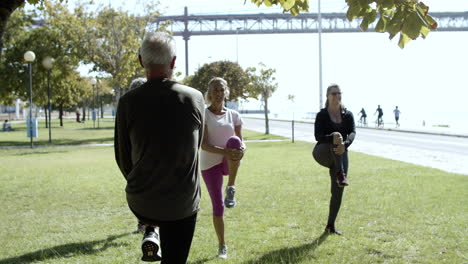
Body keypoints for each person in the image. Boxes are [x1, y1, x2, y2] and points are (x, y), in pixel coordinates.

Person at [114, 32, 205, 263]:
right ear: (173, 62)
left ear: (141, 61)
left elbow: (122, 157)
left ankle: (151, 231)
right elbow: (197, 146)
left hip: (141, 200)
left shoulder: (127, 102)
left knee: (156, 213)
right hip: (181, 204)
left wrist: (142, 182)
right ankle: (157, 234)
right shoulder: (194, 98)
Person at [200, 77, 246, 259]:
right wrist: (226, 152)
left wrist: (242, 149)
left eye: (221, 90)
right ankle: (222, 245)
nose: (219, 94)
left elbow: (241, 141)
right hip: (209, 163)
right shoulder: (204, 114)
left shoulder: (233, 115)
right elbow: (203, 145)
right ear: (209, 94)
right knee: (218, 205)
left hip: (229, 162)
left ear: (226, 92)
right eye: (215, 90)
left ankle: (231, 187)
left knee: (235, 141)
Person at [312, 84, 356, 235]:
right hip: (322, 152)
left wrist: (346, 144)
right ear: (327, 96)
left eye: (339, 93)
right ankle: (340, 173)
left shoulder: (347, 114)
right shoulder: (322, 115)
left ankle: (330, 226)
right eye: (333, 93)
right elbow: (318, 137)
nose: (337, 96)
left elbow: (352, 132)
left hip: (341, 154)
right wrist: (333, 138)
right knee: (336, 135)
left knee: (338, 191)